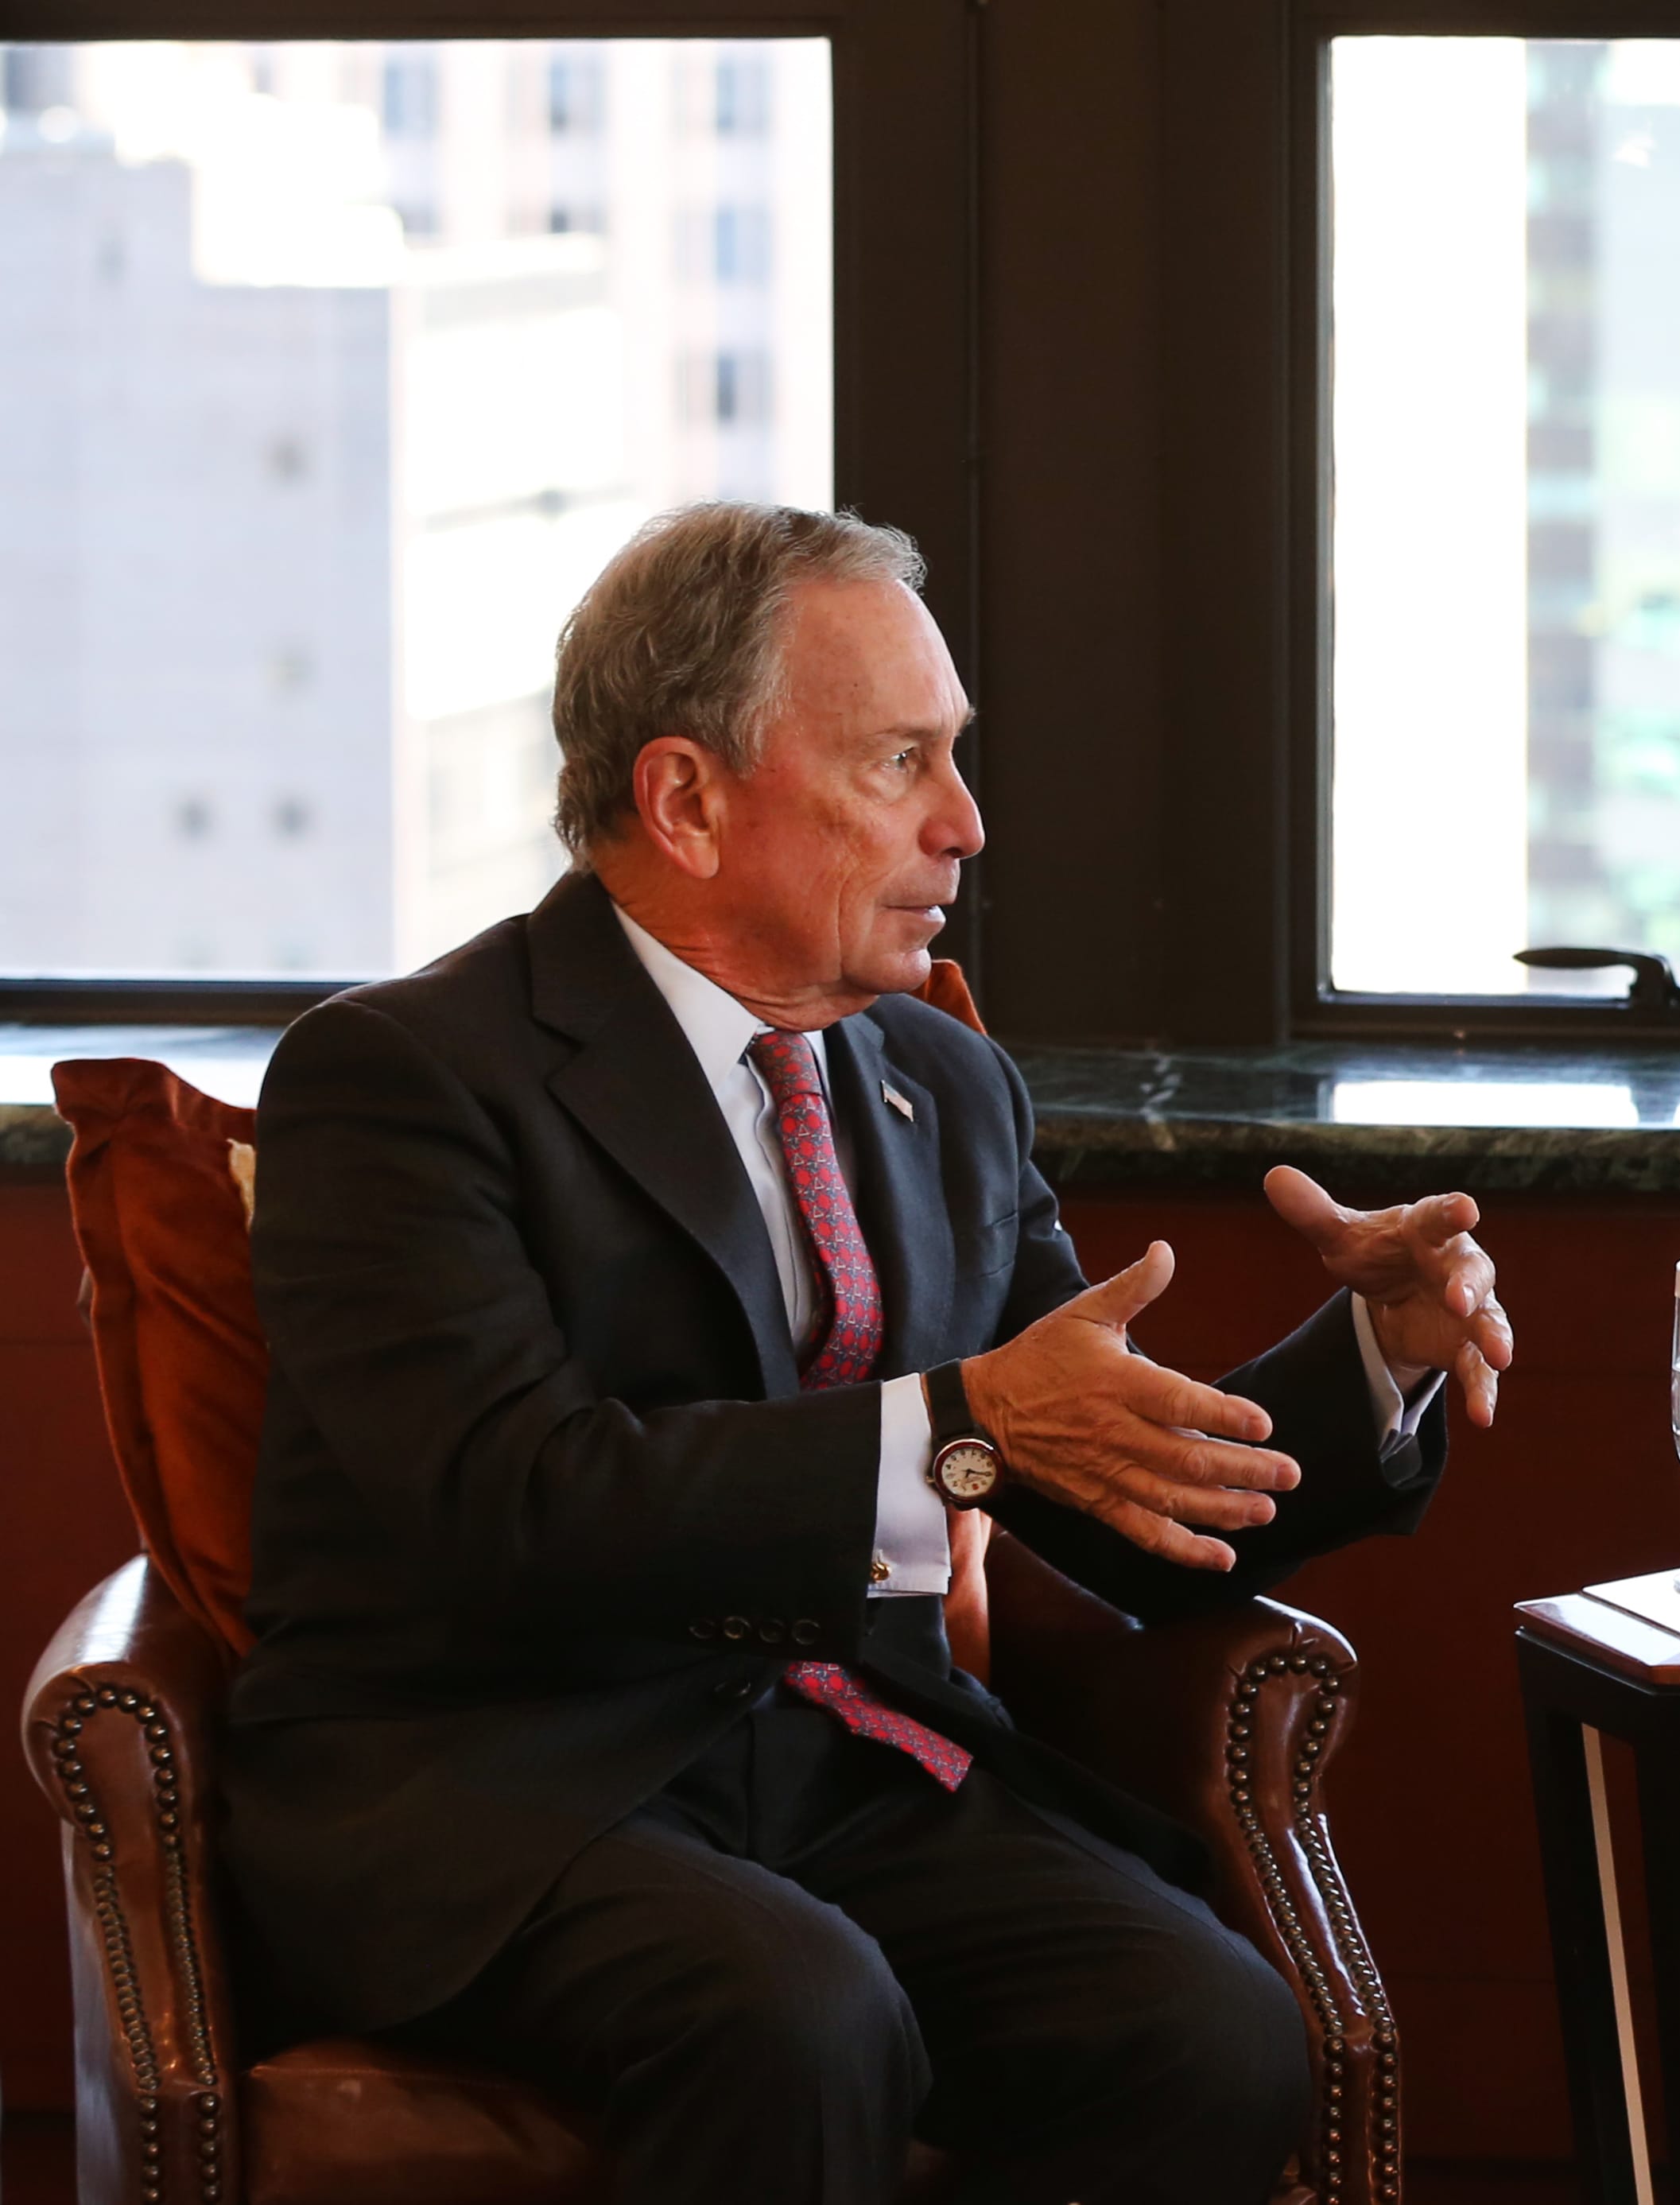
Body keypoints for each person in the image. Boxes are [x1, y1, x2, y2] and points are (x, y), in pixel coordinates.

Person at [230, 502, 1517, 2203]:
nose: (963, 825)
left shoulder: (941, 1082)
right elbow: (507, 1499)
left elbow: (1113, 1483)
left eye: (955, 759)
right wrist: (962, 1431)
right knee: (796, 2010)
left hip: (850, 1760)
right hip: (501, 1780)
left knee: (1209, 2029)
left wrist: (1377, 1355)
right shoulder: (403, 1078)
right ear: (684, 799)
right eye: (899, 762)